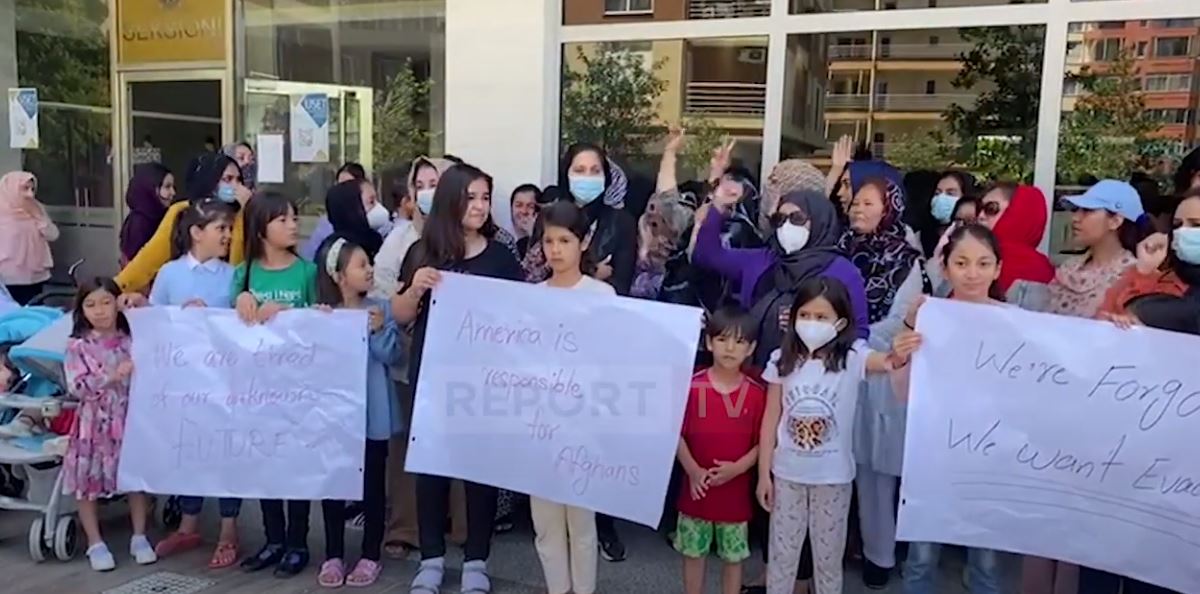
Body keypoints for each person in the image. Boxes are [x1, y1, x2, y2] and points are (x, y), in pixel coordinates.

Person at [392, 163, 522, 594]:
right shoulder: (423, 252)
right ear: (451, 200)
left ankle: (476, 561)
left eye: (485, 198)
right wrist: (415, 288)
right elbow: (400, 315)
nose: (480, 206)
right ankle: (431, 559)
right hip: (432, 382)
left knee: (479, 472)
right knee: (431, 470)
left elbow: (520, 317)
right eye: (471, 197)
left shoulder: (501, 257)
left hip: (483, 384)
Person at [757, 276, 918, 594]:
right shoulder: (781, 360)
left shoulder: (853, 357)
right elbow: (770, 419)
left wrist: (908, 329)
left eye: (821, 317)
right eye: (805, 315)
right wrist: (764, 474)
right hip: (787, 476)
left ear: (840, 322)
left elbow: (889, 361)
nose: (812, 323)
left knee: (828, 561)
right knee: (782, 558)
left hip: (833, 478)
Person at [896, 223, 1007, 594]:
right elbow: (903, 393)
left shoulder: (1015, 322)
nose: (972, 273)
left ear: (998, 268)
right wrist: (904, 345)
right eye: (961, 262)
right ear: (944, 268)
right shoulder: (928, 317)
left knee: (986, 559)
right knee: (921, 555)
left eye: (983, 263)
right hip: (933, 453)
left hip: (990, 456)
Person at [375, 156, 471, 561]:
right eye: (422, 184)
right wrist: (412, 295)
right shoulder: (403, 242)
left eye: (438, 182)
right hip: (411, 354)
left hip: (461, 361)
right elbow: (384, 293)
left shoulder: (475, 239)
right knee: (408, 445)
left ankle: (463, 529)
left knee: (461, 442)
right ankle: (405, 528)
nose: (430, 191)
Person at [837, 174, 925, 589]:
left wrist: (850, 339)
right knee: (836, 460)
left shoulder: (906, 259)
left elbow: (902, 320)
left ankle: (879, 555)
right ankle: (834, 547)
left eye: (869, 202)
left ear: (890, 208)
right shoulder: (838, 249)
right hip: (839, 368)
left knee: (875, 472)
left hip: (880, 371)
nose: (858, 208)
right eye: (856, 201)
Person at [147, 199, 243, 568]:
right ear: (196, 233)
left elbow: (242, 324)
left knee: (224, 451)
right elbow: (154, 321)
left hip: (223, 379)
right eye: (221, 229)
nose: (228, 235)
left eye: (229, 229)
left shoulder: (233, 276)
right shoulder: (169, 273)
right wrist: (179, 315)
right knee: (189, 447)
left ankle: (229, 529)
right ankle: (188, 523)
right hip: (184, 380)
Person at [692, 172, 870, 367]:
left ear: (819, 220)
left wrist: (811, 324)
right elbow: (707, 256)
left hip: (810, 376)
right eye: (780, 219)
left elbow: (858, 332)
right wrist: (718, 205)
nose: (786, 226)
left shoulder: (842, 272)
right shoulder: (763, 259)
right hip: (753, 372)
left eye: (797, 218)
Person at [232, 192, 319, 577]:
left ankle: (298, 542)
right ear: (260, 229)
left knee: (296, 465)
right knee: (265, 463)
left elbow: (321, 323)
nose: (293, 225)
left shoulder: (307, 272)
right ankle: (273, 539)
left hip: (298, 387)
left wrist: (288, 314)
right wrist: (241, 302)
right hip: (257, 389)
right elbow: (225, 329)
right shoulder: (244, 274)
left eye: (294, 218)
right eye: (282, 219)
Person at [529, 201, 610, 594]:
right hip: (540, 426)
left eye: (565, 240)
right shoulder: (531, 297)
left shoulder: (602, 295)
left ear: (583, 242)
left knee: (581, 523)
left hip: (583, 427)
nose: (556, 250)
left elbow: (614, 358)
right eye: (549, 241)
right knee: (546, 525)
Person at [314, 236, 401, 588]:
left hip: (372, 413)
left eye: (370, 263)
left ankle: (370, 555)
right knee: (333, 483)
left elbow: (393, 355)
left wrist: (378, 331)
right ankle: (333, 553)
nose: (370, 270)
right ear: (338, 276)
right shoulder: (323, 314)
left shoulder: (380, 309)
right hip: (334, 416)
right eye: (361, 265)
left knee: (373, 485)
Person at [62, 277, 157, 572]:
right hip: (93, 423)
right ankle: (95, 541)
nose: (100, 310)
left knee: (135, 479)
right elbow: (76, 386)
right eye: (91, 305)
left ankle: (139, 536)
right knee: (86, 483)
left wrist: (142, 303)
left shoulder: (134, 339)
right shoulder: (78, 346)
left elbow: (160, 337)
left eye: (106, 302)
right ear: (81, 310)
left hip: (130, 417)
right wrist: (111, 376)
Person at [676, 306, 765, 594]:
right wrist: (692, 469)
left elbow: (763, 442)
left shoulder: (756, 393)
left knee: (733, 558)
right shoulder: (692, 387)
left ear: (751, 348)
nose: (729, 348)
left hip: (735, 493)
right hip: (696, 490)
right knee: (693, 554)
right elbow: (676, 434)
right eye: (723, 339)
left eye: (739, 341)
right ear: (709, 342)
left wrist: (739, 467)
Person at [116, 153, 252, 295]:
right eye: (228, 179)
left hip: (232, 296)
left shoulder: (242, 213)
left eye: (238, 180)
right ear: (210, 180)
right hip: (186, 293)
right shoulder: (182, 212)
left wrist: (248, 210)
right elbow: (149, 258)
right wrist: (116, 287)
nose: (236, 186)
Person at [1099, 187, 1200, 321]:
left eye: (1196, 225)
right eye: (1177, 225)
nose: (1183, 232)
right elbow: (1107, 318)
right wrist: (1143, 272)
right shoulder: (1165, 279)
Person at [975, 183, 1055, 304]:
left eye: (990, 209)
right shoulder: (972, 253)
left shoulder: (1038, 269)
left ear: (1019, 212)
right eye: (979, 209)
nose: (980, 216)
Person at [0, 171, 59, 304]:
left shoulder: (36, 207)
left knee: (35, 309)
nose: (30, 194)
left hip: (35, 274)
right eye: (25, 189)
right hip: (8, 276)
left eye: (32, 189)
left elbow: (53, 235)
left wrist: (37, 216)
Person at [119, 163, 175, 265]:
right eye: (167, 187)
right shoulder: (140, 223)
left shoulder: (163, 216)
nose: (173, 192)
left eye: (172, 187)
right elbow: (136, 266)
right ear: (150, 189)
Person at [511, 184, 541, 259]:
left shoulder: (544, 243)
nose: (524, 211)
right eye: (519, 205)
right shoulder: (503, 239)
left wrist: (533, 236)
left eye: (530, 206)